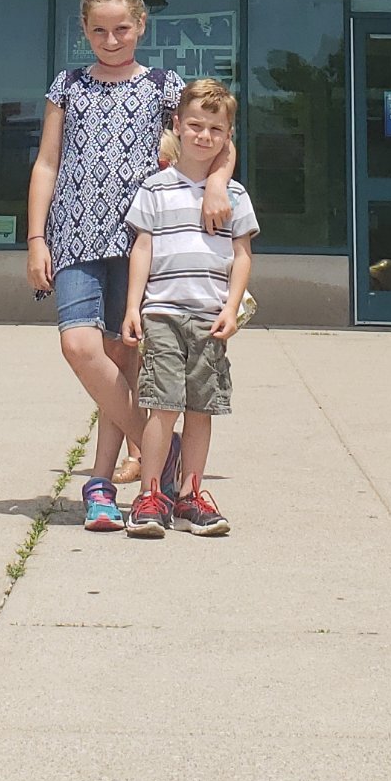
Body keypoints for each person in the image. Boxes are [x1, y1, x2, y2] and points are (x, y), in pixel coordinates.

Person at [27, 0, 212, 532]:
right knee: (80, 347)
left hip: (140, 240)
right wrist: (36, 238)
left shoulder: (164, 86)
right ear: (84, 30)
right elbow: (46, 163)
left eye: (122, 28)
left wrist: (219, 184)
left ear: (141, 28)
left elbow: (215, 140)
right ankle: (158, 447)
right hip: (74, 236)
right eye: (100, 30)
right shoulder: (68, 86)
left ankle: (101, 484)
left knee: (124, 359)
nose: (111, 39)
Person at [119, 76, 255, 538]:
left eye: (215, 130)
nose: (203, 136)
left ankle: (191, 494)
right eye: (194, 125)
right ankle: (151, 493)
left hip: (209, 317)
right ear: (176, 125)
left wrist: (232, 309)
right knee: (161, 406)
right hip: (161, 313)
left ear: (227, 135)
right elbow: (141, 249)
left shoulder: (234, 197)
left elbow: (242, 256)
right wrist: (132, 306)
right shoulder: (155, 188)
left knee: (201, 408)